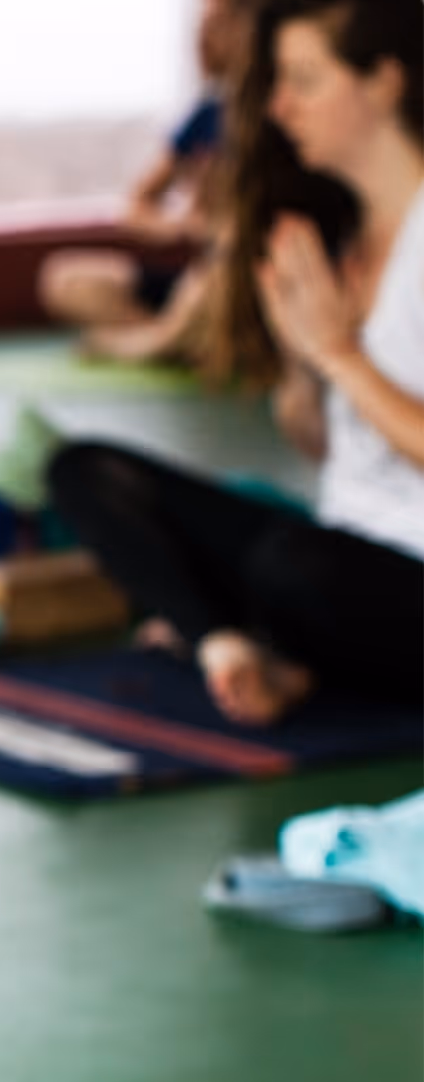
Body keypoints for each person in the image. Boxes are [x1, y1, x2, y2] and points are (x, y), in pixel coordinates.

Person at [49, 0, 424, 727]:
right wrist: (303, 368)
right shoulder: (342, 235)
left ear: (383, 83)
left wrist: (340, 355)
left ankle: (256, 636)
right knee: (88, 471)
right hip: (344, 546)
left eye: (305, 81)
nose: (281, 107)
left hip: (392, 576)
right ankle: (225, 643)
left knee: (294, 566)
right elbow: (331, 448)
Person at [36, 0, 254, 363]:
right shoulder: (208, 115)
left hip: (236, 278)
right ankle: (175, 338)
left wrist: (230, 224)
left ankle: (148, 344)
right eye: (203, 25)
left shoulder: (278, 115)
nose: (206, 36)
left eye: (222, 22)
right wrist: (183, 225)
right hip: (197, 277)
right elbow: (136, 206)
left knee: (210, 287)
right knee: (65, 279)